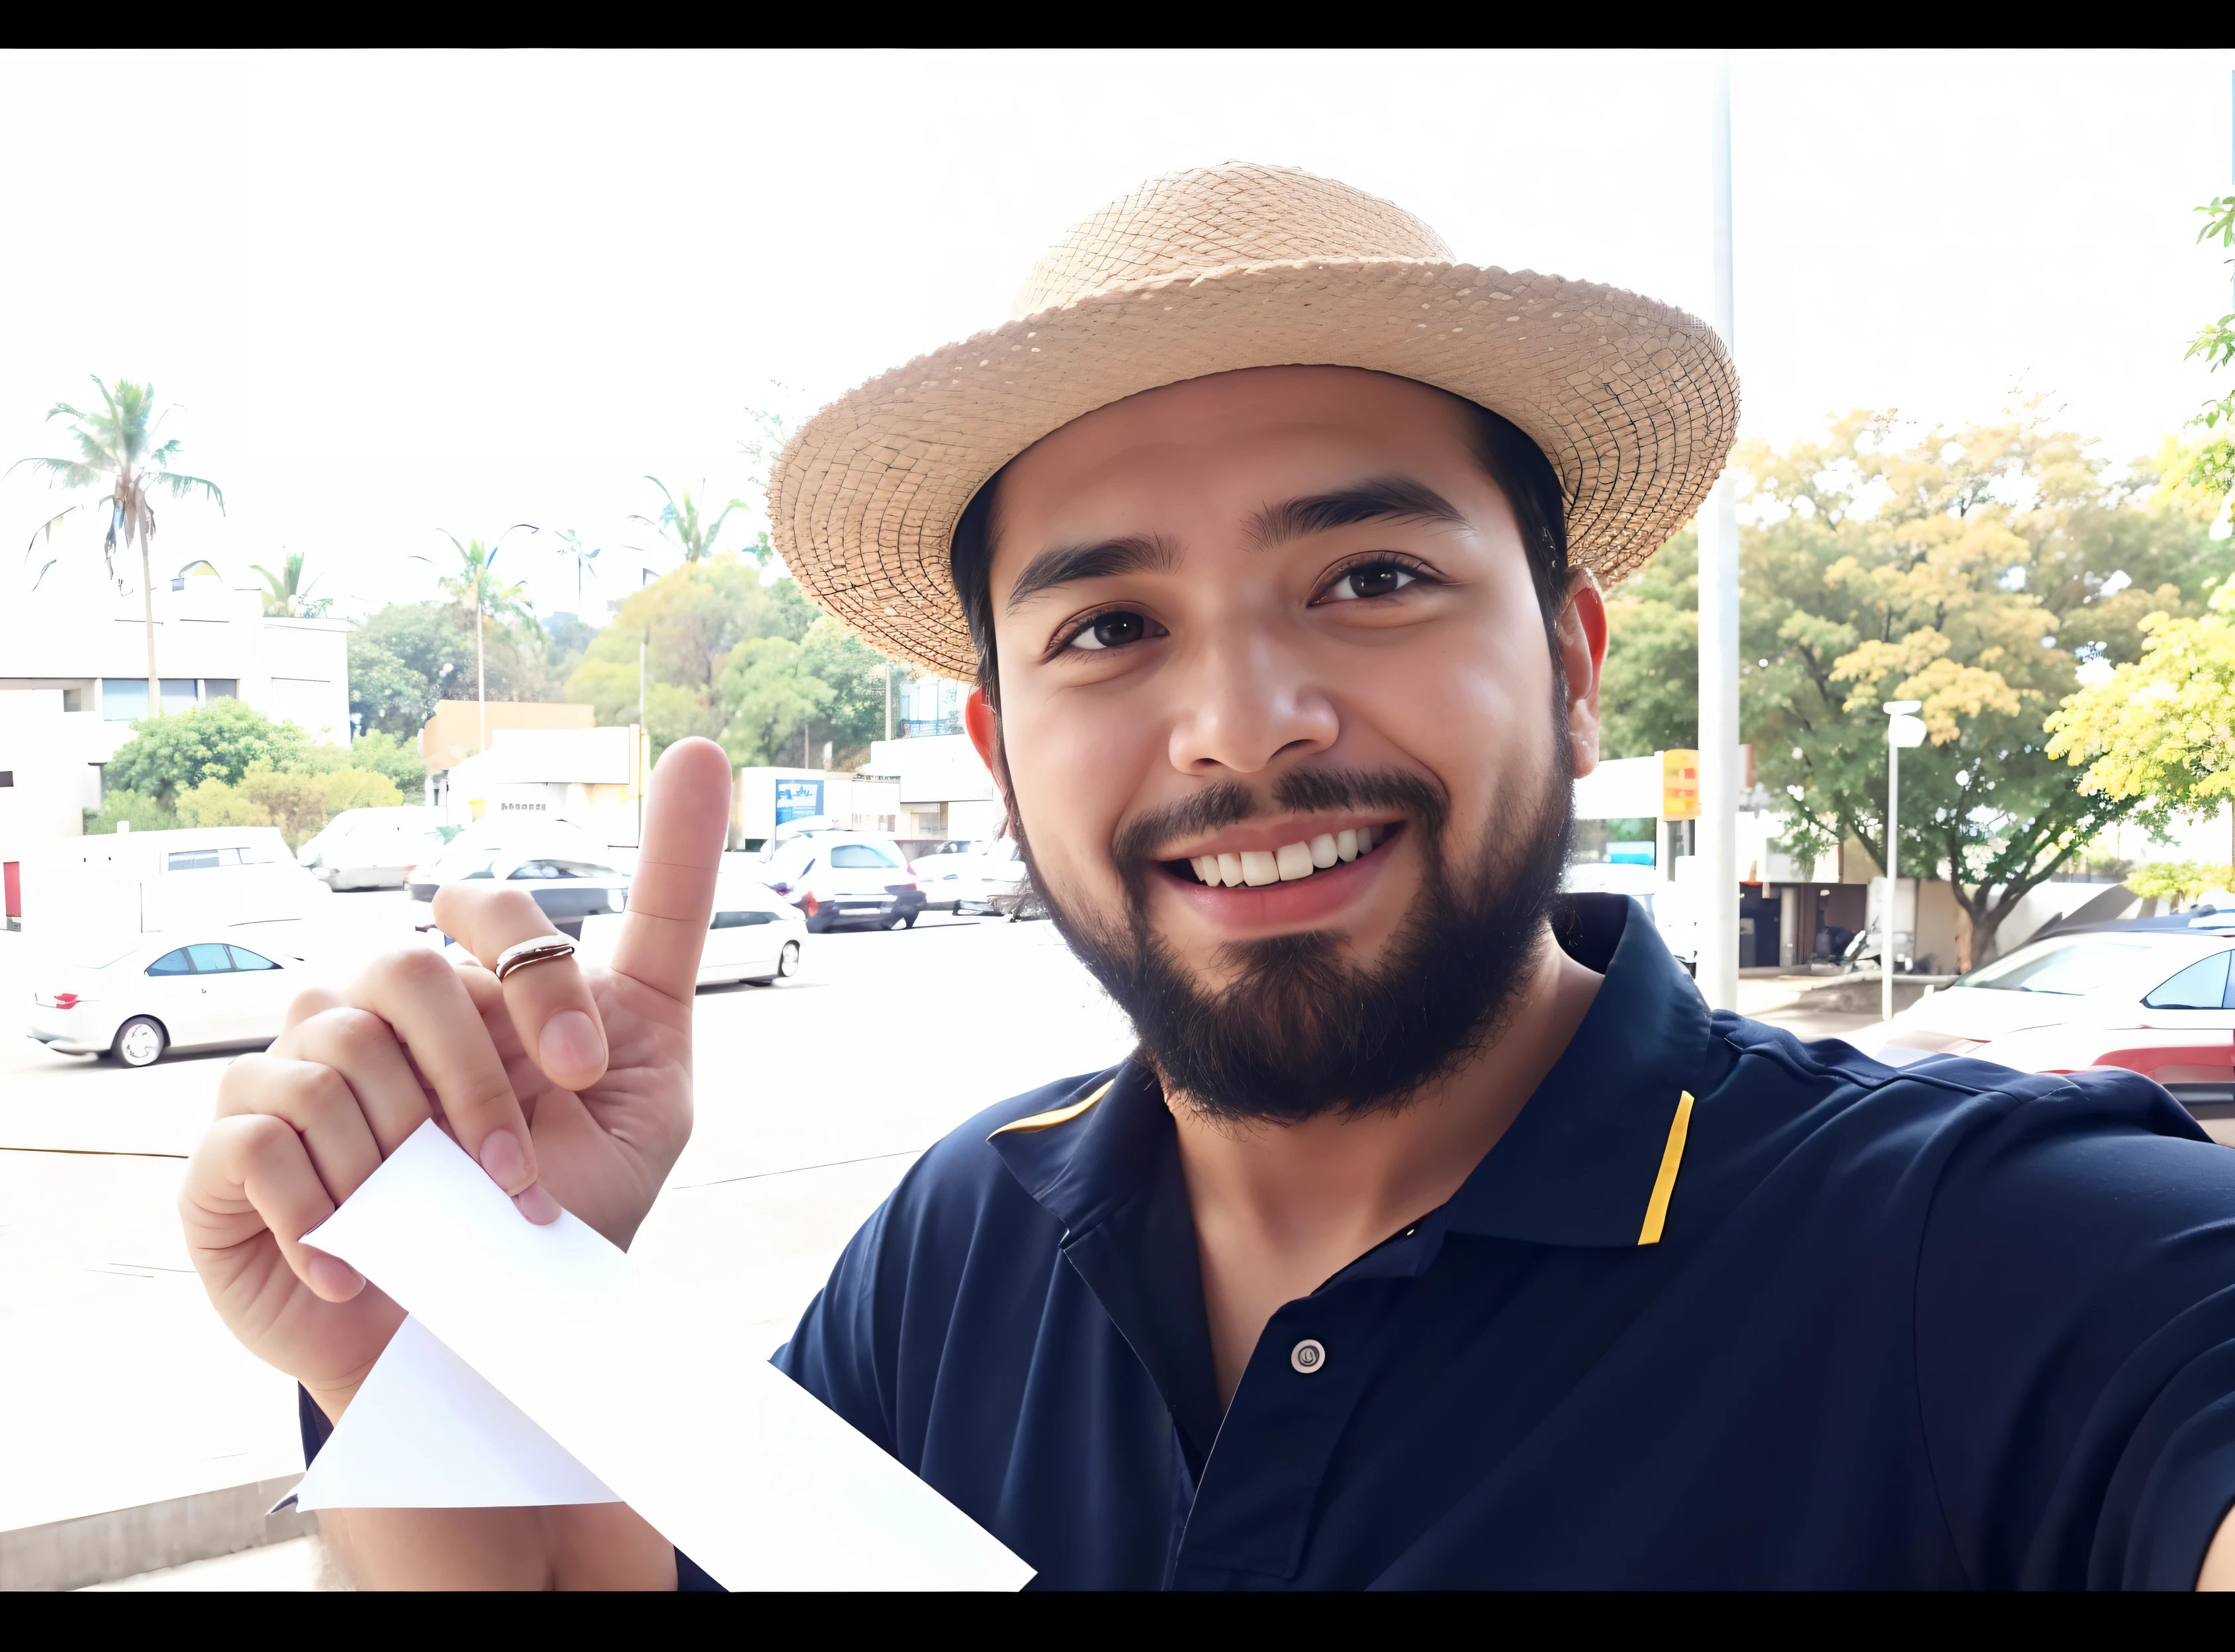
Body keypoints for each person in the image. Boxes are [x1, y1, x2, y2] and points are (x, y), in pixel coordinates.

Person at [181, 163, 2235, 1589]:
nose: (1241, 725)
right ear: (1000, 757)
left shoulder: (1990, 1261)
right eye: (1106, 628)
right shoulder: (968, 1249)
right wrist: (465, 1309)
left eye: (1372, 577)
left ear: (1575, 665)